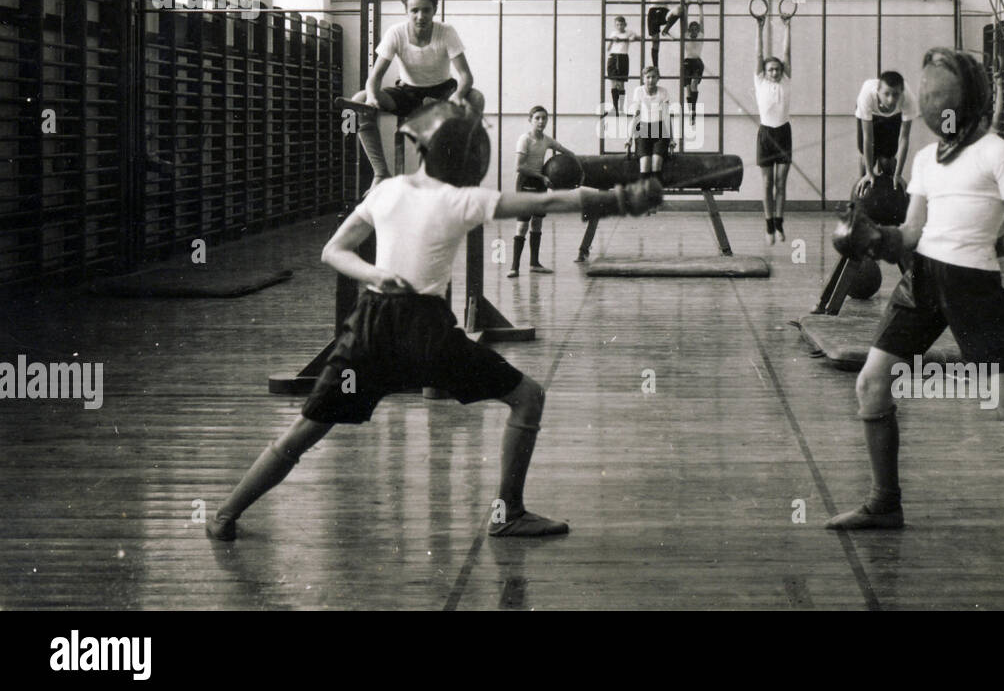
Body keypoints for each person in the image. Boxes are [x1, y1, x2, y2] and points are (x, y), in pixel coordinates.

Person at [205, 101, 662, 542]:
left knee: (308, 427)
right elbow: (550, 200)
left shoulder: (386, 190)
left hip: (370, 326)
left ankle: (226, 513)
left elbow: (333, 252)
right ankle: (509, 514)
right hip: (426, 334)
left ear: (421, 147)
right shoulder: (461, 200)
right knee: (528, 397)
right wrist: (620, 198)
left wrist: (378, 274)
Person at [825, 47, 1004, 547]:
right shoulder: (924, 159)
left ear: (962, 102)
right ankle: (884, 504)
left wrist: (981, 245)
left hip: (974, 288)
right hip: (920, 280)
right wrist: (875, 238)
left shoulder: (997, 153)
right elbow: (912, 232)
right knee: (871, 385)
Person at [342, 0, 484, 185]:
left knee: (476, 97)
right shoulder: (396, 33)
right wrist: (373, 98)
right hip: (408, 92)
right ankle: (381, 173)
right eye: (414, 10)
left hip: (442, 92)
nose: (420, 16)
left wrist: (458, 95)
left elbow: (466, 76)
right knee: (360, 99)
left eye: (426, 10)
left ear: (434, 11)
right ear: (406, 11)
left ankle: (468, 167)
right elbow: (374, 77)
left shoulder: (446, 32)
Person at [510, 106, 580, 278]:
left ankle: (534, 264)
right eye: (537, 118)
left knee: (537, 223)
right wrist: (541, 177)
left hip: (541, 182)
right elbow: (519, 166)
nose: (541, 121)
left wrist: (578, 165)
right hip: (526, 182)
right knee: (522, 225)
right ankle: (514, 267)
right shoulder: (524, 139)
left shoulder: (546, 140)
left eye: (544, 118)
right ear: (530, 120)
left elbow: (564, 150)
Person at [754, 14, 792, 244]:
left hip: (783, 133)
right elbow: (758, 55)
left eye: (778, 69)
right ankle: (769, 226)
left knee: (781, 183)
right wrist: (759, 28)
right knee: (767, 183)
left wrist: (787, 27)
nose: (775, 73)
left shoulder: (786, 81)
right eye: (771, 70)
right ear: (765, 72)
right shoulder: (760, 82)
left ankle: (779, 225)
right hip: (766, 134)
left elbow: (786, 54)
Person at [852, 70, 919, 199]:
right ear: (878, 90)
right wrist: (869, 173)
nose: (891, 100)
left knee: (888, 158)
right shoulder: (866, 96)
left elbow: (904, 139)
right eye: (886, 94)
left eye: (895, 94)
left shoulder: (908, 99)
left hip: (894, 115)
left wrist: (898, 174)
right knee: (866, 159)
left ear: (902, 92)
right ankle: (860, 198)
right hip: (872, 113)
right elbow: (868, 137)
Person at [626, 64, 676, 184]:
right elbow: (636, 116)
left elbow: (666, 116)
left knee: (656, 162)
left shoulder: (663, 92)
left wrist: (672, 139)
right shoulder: (639, 91)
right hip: (643, 129)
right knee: (645, 164)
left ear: (658, 78)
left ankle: (655, 198)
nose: (650, 80)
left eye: (653, 77)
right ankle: (643, 199)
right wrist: (629, 138)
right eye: (648, 77)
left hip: (659, 130)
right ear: (643, 78)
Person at [636, 0, 683, 69]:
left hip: (664, 12)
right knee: (656, 42)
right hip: (653, 13)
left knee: (680, 10)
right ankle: (656, 67)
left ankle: (666, 30)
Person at [604, 15, 638, 118]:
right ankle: (615, 109)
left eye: (621, 24)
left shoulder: (629, 32)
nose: (619, 26)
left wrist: (632, 38)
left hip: (623, 57)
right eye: (617, 24)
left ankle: (621, 108)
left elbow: (638, 37)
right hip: (613, 57)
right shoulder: (613, 33)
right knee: (613, 84)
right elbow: (608, 48)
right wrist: (611, 40)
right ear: (615, 26)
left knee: (621, 84)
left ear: (625, 24)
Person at [681, 0, 706, 127]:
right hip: (687, 62)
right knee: (687, 89)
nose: (695, 30)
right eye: (692, 28)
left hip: (697, 62)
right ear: (690, 30)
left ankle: (694, 110)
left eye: (697, 28)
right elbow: (684, 22)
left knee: (694, 85)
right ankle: (691, 110)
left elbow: (702, 22)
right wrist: (687, 7)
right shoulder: (686, 35)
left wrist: (700, 7)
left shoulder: (701, 36)